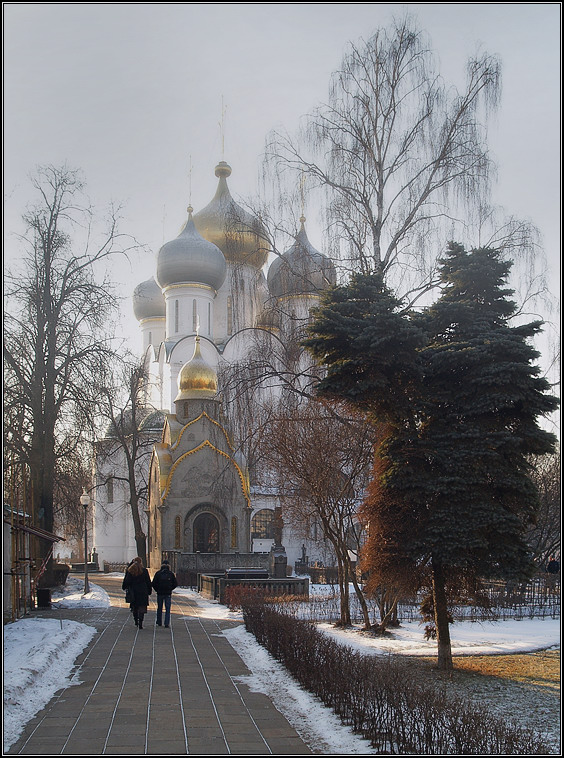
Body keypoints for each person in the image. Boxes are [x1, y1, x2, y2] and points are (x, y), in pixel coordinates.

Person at [122, 557, 152, 629]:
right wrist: (149, 590)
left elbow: (127, 581)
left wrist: (125, 587)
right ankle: (141, 622)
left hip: (133, 591)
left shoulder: (131, 570)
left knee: (135, 606)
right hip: (143, 591)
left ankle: (136, 620)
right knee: (141, 607)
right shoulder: (144, 571)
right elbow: (148, 581)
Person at [152, 560, 178, 628]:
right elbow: (175, 584)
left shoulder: (158, 573)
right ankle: (166, 623)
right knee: (167, 608)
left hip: (160, 593)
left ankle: (159, 621)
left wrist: (157, 590)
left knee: (159, 608)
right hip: (168, 593)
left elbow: (154, 583)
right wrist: (170, 589)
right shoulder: (170, 574)